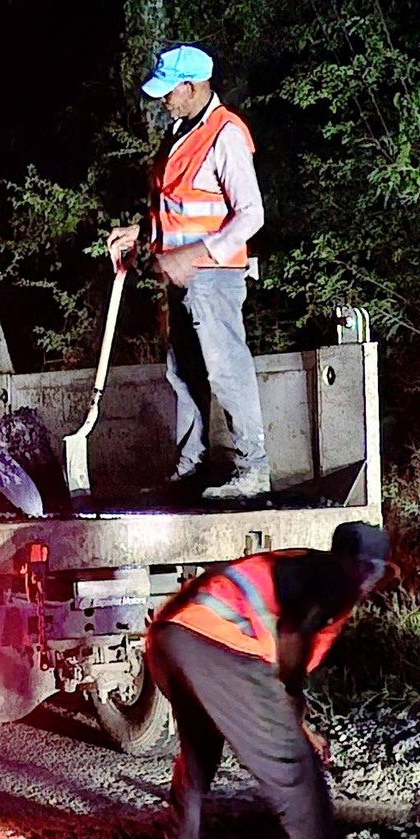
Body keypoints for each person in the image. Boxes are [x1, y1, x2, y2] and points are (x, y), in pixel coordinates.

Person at [147, 520, 402, 839]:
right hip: (221, 645)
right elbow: (290, 644)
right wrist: (293, 725)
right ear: (367, 566)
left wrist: (297, 721)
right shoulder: (338, 579)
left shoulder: (309, 567)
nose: (371, 581)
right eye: (371, 571)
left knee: (199, 748)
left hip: (170, 637)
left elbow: (283, 656)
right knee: (294, 765)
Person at [106, 45, 270, 502]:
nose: (163, 101)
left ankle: (254, 471)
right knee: (185, 374)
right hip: (183, 279)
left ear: (192, 87)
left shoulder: (225, 135)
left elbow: (251, 215)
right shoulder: (182, 131)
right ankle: (192, 469)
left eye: (169, 92)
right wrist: (139, 231)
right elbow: (179, 207)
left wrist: (196, 255)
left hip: (213, 276)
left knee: (226, 369)